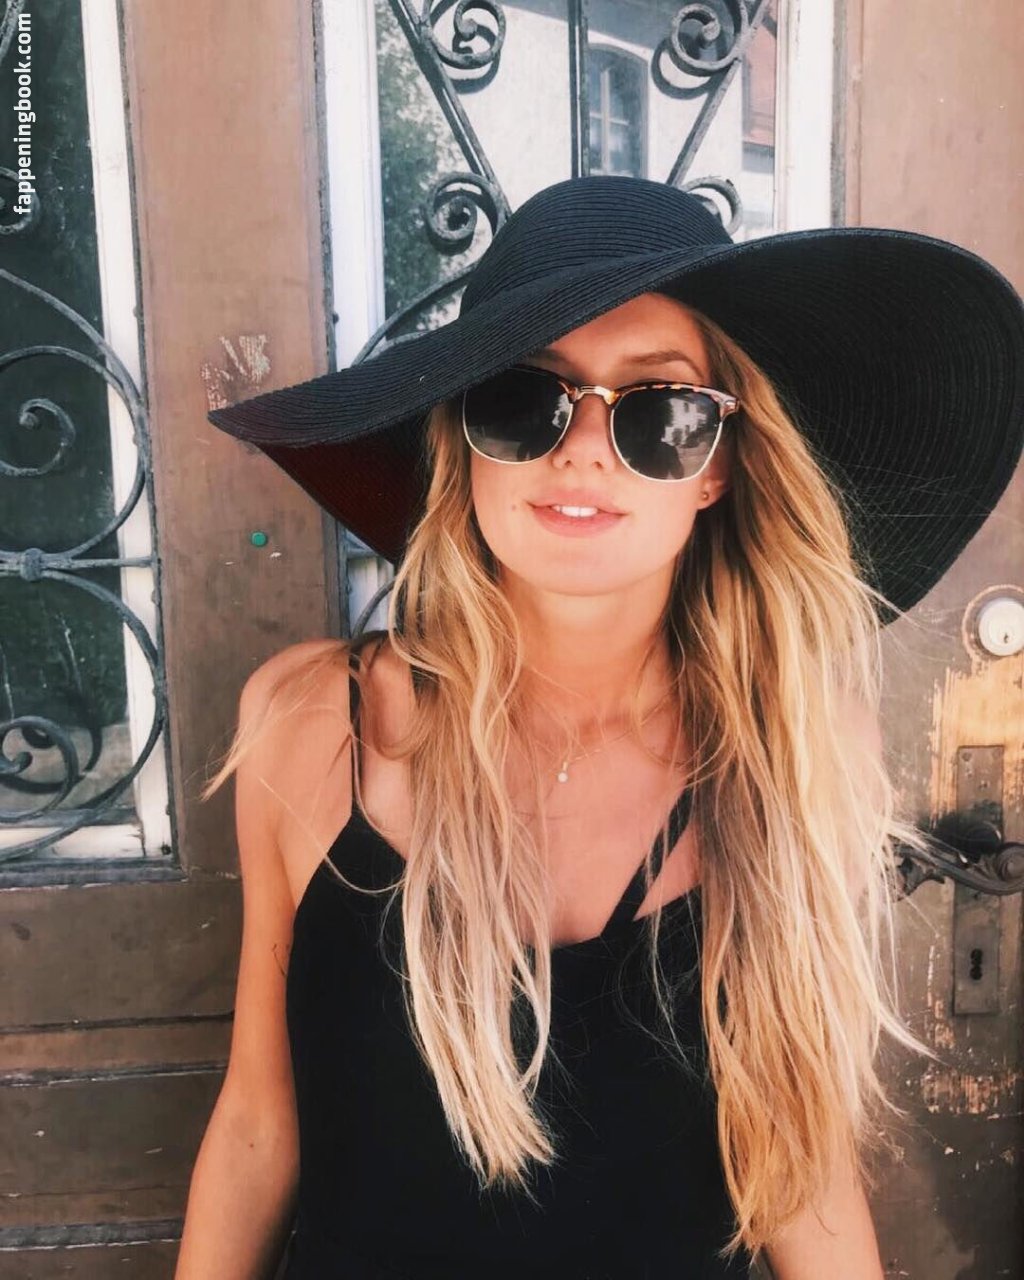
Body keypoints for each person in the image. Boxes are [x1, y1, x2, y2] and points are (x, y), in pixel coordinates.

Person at [176, 177, 1024, 1278]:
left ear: (718, 465)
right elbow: (259, 1120)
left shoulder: (800, 753)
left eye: (658, 411)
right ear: (462, 436)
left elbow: (798, 1164)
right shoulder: (308, 727)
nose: (582, 449)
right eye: (524, 398)